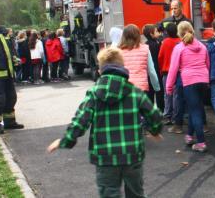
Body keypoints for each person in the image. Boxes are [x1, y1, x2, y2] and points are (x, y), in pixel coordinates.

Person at [47, 46, 163, 198]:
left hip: (105, 155)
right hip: (132, 154)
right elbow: (154, 115)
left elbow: (81, 121)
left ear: (100, 71)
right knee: (136, 193)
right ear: (123, 68)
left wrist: (66, 141)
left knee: (109, 193)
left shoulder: (94, 94)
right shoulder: (135, 93)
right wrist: (155, 130)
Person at [166, 21, 210, 152]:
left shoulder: (179, 48)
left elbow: (173, 69)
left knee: (195, 110)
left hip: (189, 81)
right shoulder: (202, 46)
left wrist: (169, 87)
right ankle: (189, 136)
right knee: (195, 108)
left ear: (179, 33)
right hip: (203, 79)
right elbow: (208, 64)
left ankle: (201, 143)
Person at [119, 24, 160, 94]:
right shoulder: (145, 49)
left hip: (124, 87)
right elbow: (151, 71)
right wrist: (156, 87)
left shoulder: (119, 51)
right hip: (141, 88)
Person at [158, 23, 181, 126]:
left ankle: (167, 116)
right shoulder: (180, 42)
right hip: (178, 72)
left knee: (167, 94)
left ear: (166, 32)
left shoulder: (165, 42)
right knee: (177, 95)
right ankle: (177, 116)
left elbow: (160, 57)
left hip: (166, 71)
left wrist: (161, 68)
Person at [143, 24, 164, 111]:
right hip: (157, 70)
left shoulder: (145, 45)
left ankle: (150, 111)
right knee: (159, 91)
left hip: (147, 72)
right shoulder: (157, 44)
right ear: (151, 34)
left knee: (150, 93)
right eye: (156, 31)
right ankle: (160, 110)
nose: (158, 33)